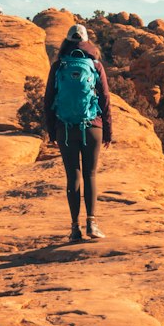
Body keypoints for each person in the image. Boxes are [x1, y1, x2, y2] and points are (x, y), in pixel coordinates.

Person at [43, 23, 113, 242]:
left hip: (65, 127)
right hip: (92, 126)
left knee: (72, 175)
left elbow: (48, 100)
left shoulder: (59, 66)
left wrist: (52, 130)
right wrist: (108, 129)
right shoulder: (95, 64)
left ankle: (75, 228)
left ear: (67, 40)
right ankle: (92, 223)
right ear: (85, 41)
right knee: (90, 174)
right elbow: (105, 98)